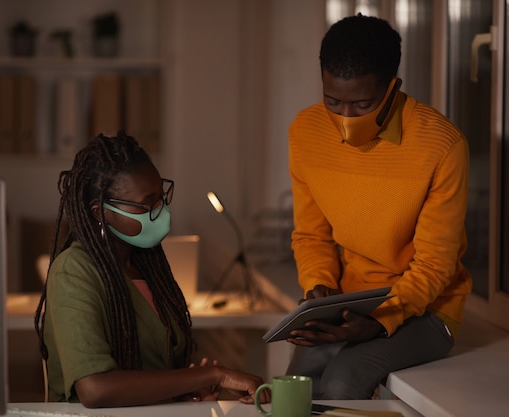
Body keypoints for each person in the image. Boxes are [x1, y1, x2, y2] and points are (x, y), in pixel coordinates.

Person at [285, 14, 472, 400]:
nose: (345, 120)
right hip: (346, 301)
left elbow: (436, 264)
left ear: (392, 86)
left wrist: (382, 318)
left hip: (427, 309)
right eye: (333, 101)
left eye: (363, 104)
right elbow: (311, 235)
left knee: (342, 379)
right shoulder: (305, 132)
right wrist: (318, 288)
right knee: (296, 387)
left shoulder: (441, 145)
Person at [34, 131, 269, 408]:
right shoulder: (73, 272)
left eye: (161, 198)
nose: (160, 211)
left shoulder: (145, 264)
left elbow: (154, 371)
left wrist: (190, 390)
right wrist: (210, 374)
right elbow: (95, 389)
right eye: (146, 204)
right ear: (101, 212)